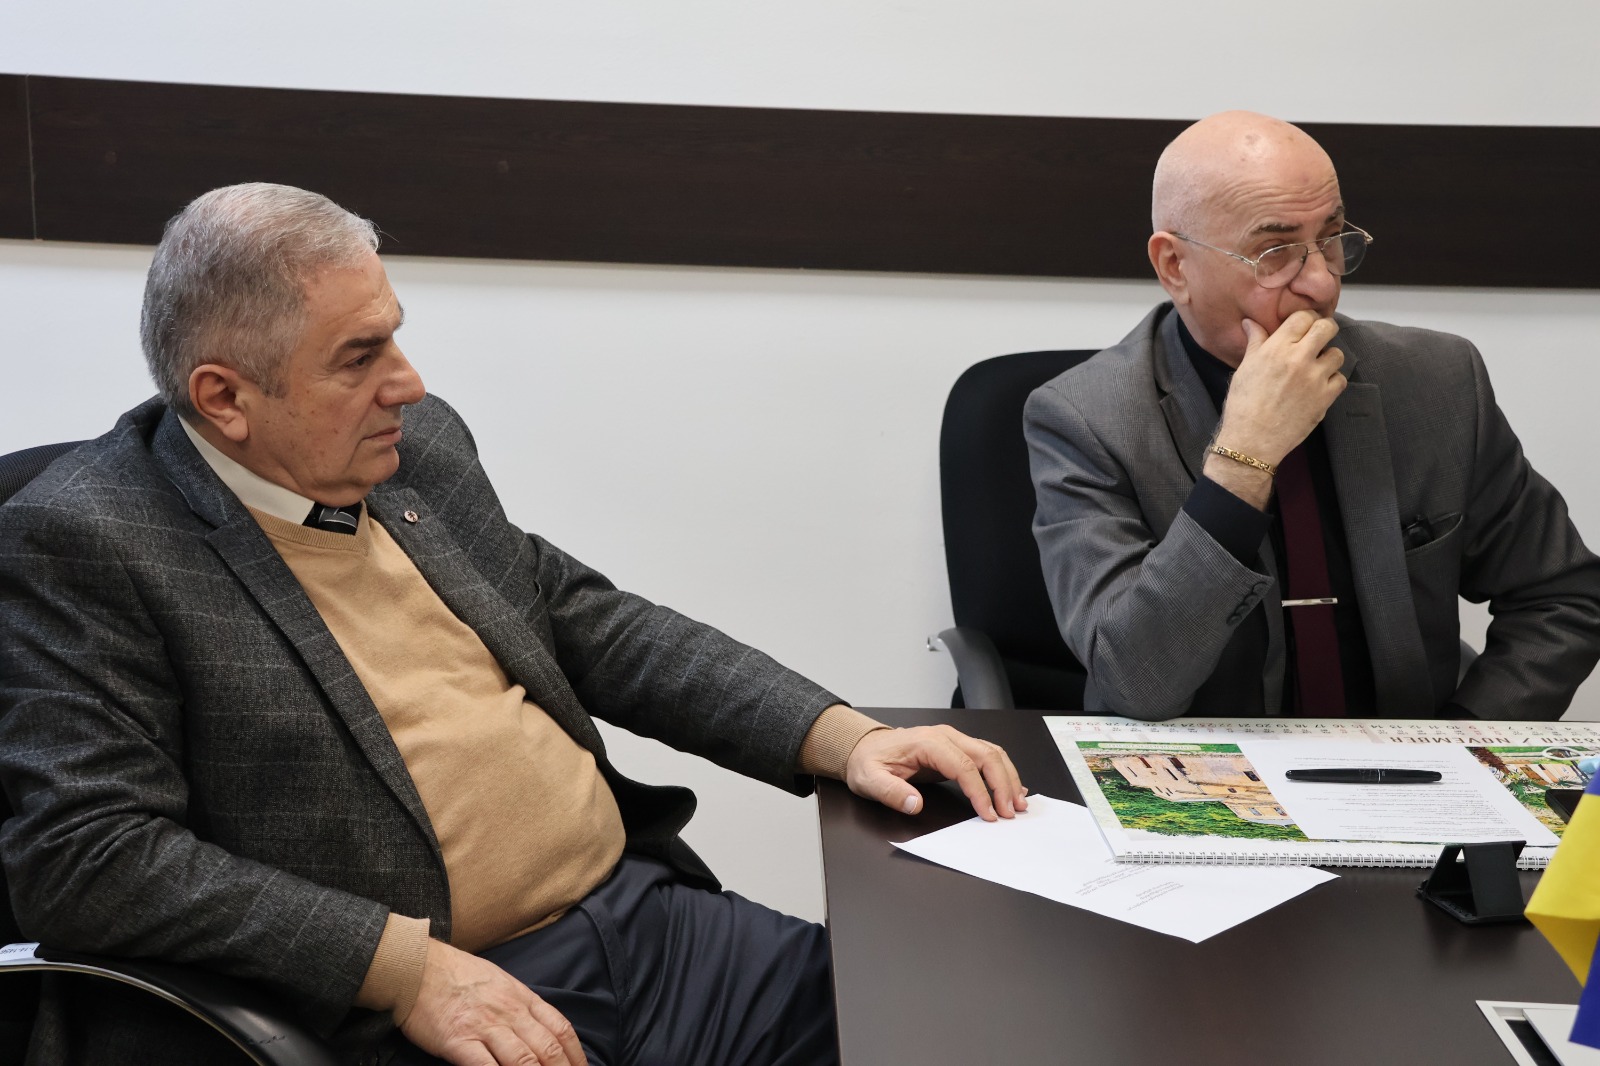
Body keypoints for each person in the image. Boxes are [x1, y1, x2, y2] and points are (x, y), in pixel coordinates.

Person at [0, 183, 1027, 1066]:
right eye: (359, 357)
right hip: (412, 1005)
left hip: (643, 924)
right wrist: (402, 968)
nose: (408, 383)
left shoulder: (412, 449)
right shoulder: (88, 539)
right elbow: (86, 853)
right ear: (224, 398)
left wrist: (842, 736)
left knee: (958, 1035)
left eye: (395, 333)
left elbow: (585, 620)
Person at [1025, 111, 1600, 722]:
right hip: (1204, 766)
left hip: (1404, 765)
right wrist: (1244, 460)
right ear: (1175, 266)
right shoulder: (1084, 419)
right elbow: (1134, 683)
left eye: (1330, 238)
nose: (1322, 285)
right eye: (1275, 253)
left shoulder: (1437, 382)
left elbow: (1562, 596)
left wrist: (1466, 744)